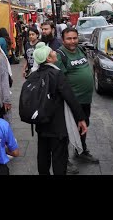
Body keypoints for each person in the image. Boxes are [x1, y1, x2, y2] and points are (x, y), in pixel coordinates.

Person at [31, 42, 87, 175]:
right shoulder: (57, 74)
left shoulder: (34, 75)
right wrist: (81, 118)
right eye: (52, 52)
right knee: (59, 158)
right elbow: (70, 98)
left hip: (41, 122)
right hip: (57, 125)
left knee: (43, 155)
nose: (55, 52)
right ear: (48, 59)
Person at [55, 28, 97, 174]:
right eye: (69, 39)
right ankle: (64, 160)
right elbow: (61, 82)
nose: (72, 41)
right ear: (62, 39)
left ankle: (81, 151)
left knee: (84, 125)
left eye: (74, 38)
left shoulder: (80, 49)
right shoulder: (60, 55)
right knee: (67, 131)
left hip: (86, 99)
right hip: (72, 101)